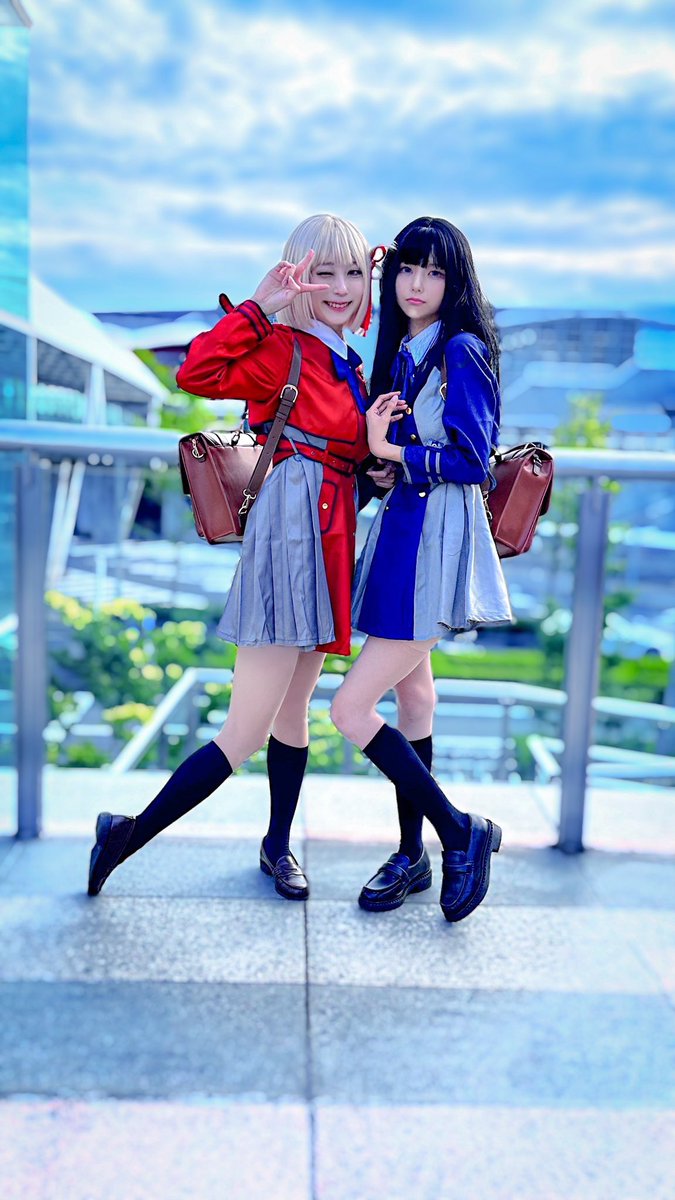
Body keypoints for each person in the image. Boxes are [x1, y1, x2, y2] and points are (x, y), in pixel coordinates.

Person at [88, 213, 381, 901]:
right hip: (289, 544)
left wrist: (375, 466)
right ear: (298, 275)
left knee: (293, 708)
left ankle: (277, 847)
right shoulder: (281, 346)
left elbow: (338, 456)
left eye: (352, 272)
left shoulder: (346, 359)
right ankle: (126, 834)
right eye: (324, 272)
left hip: (328, 541)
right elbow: (196, 371)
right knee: (244, 731)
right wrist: (258, 306)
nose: (341, 288)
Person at [331, 216, 513, 922]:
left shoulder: (460, 350)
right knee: (415, 703)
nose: (417, 283)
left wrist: (392, 450)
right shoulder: (408, 352)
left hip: (433, 545)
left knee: (349, 710)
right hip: (404, 533)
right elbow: (417, 454)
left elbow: (472, 461)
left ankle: (459, 830)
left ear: (454, 282)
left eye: (435, 272)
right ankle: (412, 855)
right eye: (408, 267)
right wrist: (388, 465)